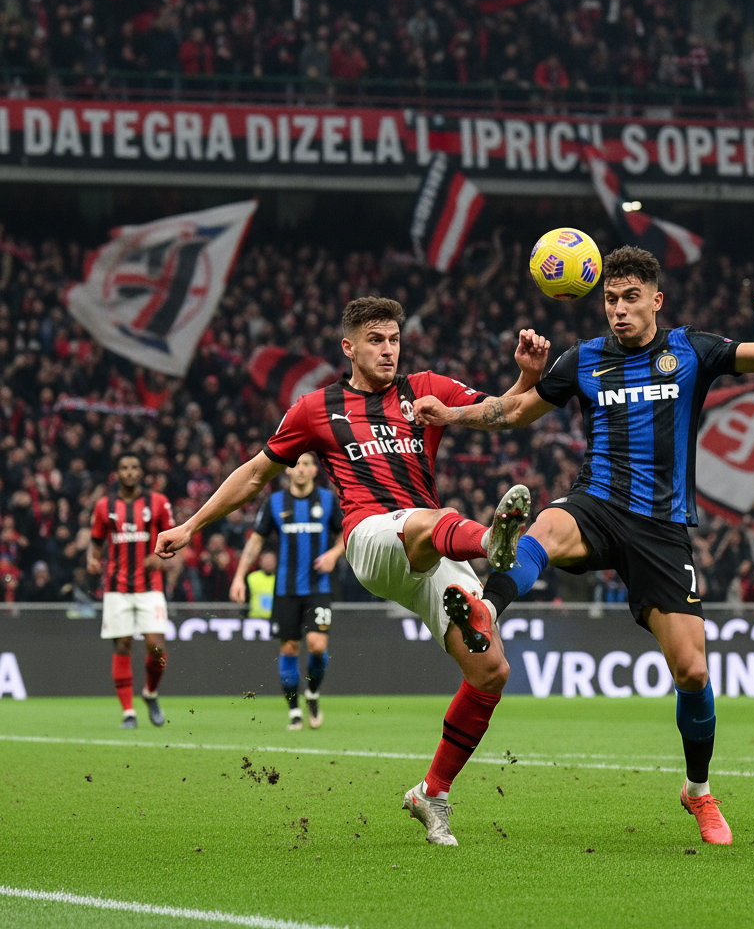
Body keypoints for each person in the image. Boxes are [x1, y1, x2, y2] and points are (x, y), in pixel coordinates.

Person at [414, 246, 754, 846]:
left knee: (693, 670)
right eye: (611, 299)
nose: (618, 309)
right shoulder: (583, 359)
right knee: (543, 528)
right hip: (597, 502)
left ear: (656, 300)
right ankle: (486, 608)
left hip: (662, 528)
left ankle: (698, 791)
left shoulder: (691, 350)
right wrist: (451, 415)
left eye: (630, 298)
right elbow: (516, 410)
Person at [156, 296, 548, 847]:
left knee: (491, 671)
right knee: (431, 518)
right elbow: (254, 475)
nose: (388, 351)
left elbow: (503, 412)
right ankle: (491, 542)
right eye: (375, 340)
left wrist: (527, 377)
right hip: (372, 539)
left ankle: (431, 793)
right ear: (349, 347)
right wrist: (191, 525)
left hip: (432, 545)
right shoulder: (315, 408)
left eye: (394, 340)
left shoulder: (426, 388)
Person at [229, 452, 346, 730]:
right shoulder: (275, 502)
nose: (301, 469)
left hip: (318, 586)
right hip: (286, 589)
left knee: (317, 645)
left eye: (307, 464)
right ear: (288, 471)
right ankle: (294, 709)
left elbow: (346, 533)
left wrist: (333, 554)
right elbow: (256, 542)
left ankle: (312, 692)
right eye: (296, 464)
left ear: (315, 470)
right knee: (290, 647)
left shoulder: (328, 500)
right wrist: (239, 577)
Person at [87, 453, 175, 729]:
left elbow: (174, 540)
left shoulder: (158, 502)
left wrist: (160, 559)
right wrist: (92, 560)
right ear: (117, 473)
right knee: (123, 644)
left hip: (150, 587)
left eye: (135, 467)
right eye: (124, 468)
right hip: (117, 587)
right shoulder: (104, 506)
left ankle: (150, 692)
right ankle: (128, 713)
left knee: (157, 647)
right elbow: (96, 542)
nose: (130, 472)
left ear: (141, 472)